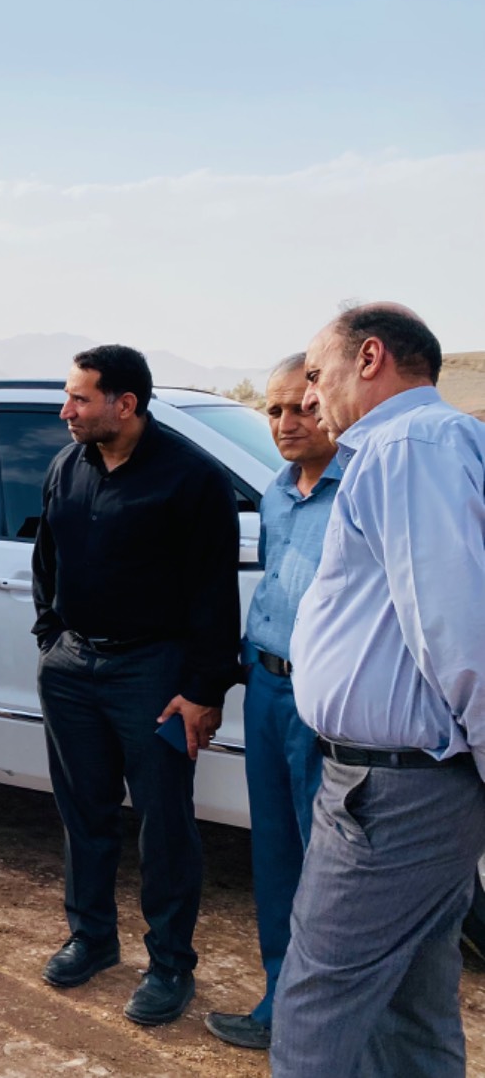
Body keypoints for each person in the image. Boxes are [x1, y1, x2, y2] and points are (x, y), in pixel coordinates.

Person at [273, 304, 485, 1077]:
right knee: (411, 1007)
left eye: (317, 375)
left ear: (369, 359)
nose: (309, 397)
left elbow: (458, 631)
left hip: (391, 792)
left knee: (316, 1008)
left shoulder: (407, 445)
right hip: (409, 784)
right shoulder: (422, 444)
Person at [32, 344, 239, 1026]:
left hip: (153, 674)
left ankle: (171, 964)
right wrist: (51, 639)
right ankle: (91, 937)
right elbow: (46, 559)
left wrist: (204, 689)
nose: (65, 411)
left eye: (79, 398)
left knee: (164, 823)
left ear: (126, 404)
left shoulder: (192, 478)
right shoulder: (67, 466)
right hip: (73, 669)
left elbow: (215, 594)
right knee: (83, 811)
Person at [203, 354, 337, 1052]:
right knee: (276, 850)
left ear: (331, 402)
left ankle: (325, 1019)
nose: (287, 423)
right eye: (275, 410)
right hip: (265, 685)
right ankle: (279, 1000)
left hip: (326, 696)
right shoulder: (277, 494)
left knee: (330, 862)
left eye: (303, 408)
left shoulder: (363, 490)